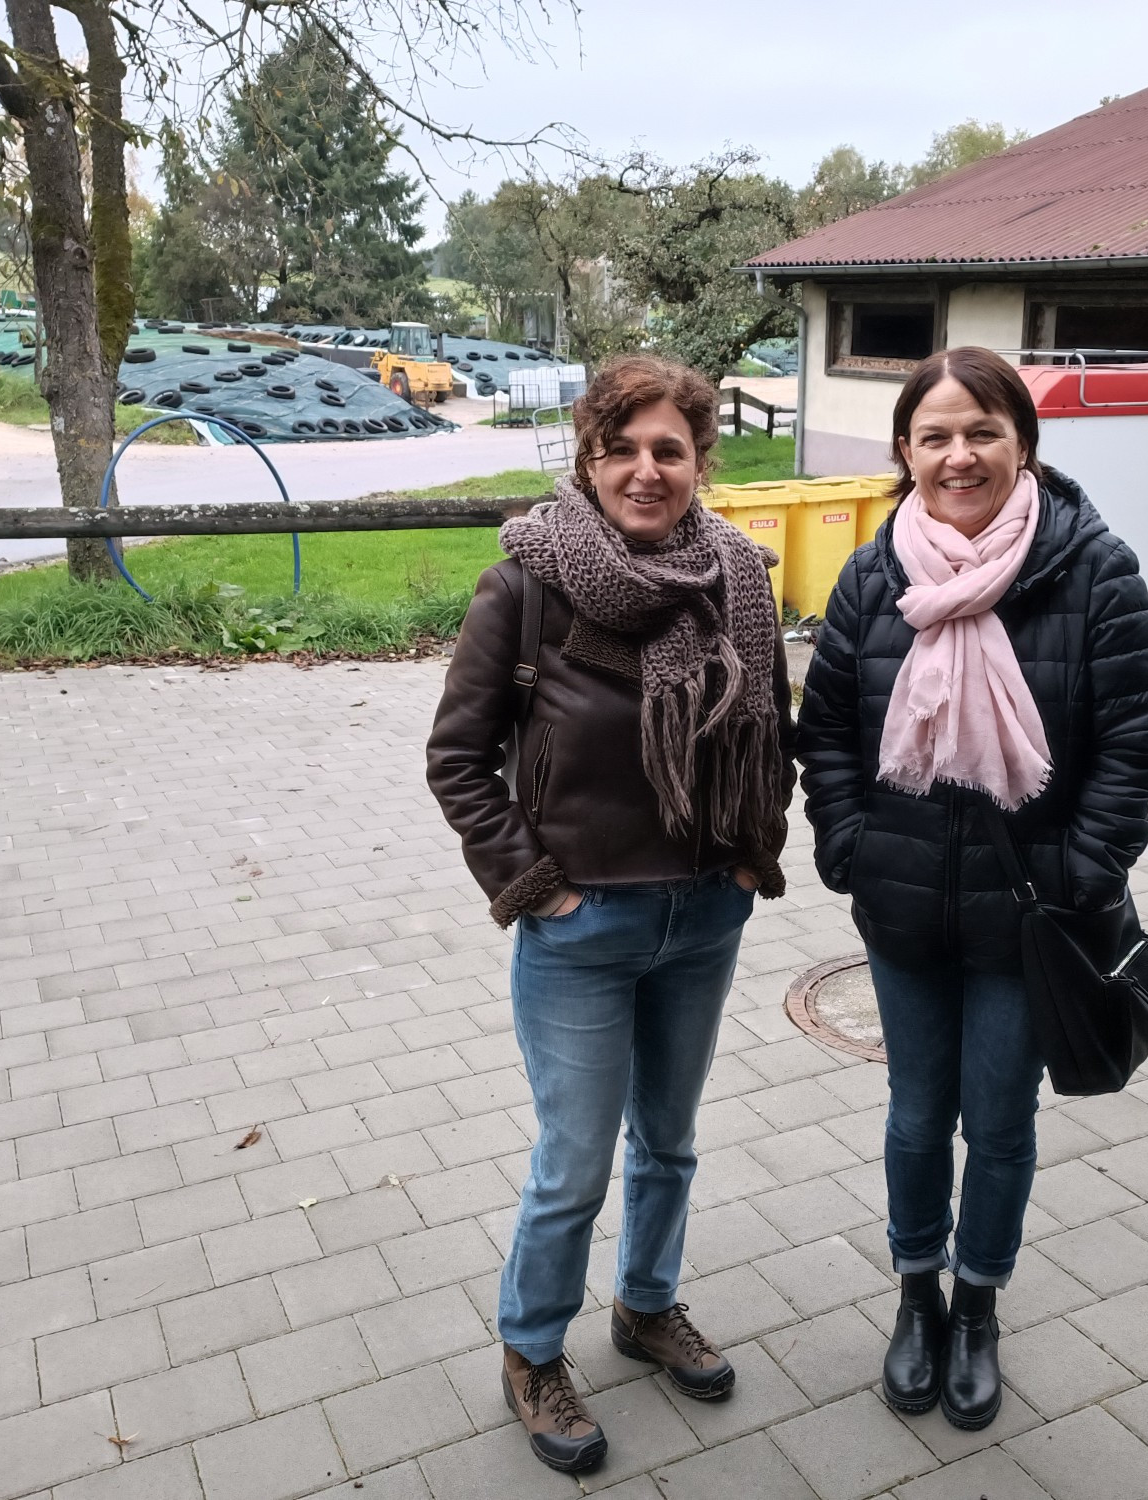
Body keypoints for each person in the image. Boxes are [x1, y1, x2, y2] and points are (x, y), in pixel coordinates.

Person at [425, 354, 792, 1475]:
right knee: (575, 1162)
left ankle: (645, 1305)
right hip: (580, 929)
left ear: (699, 463)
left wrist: (751, 856)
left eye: (668, 450)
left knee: (668, 1144)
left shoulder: (738, 580)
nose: (645, 470)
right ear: (587, 459)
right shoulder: (526, 585)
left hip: (703, 917)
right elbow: (457, 761)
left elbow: (768, 736)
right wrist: (540, 886)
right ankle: (533, 1351)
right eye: (620, 448)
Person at [797, 346, 1148, 1429]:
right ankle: (916, 1296)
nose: (958, 455)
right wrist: (851, 848)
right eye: (935, 436)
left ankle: (977, 1307)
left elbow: (1132, 744)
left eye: (981, 432)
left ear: (1023, 443)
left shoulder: (1094, 570)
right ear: (904, 452)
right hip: (904, 907)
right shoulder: (874, 576)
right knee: (918, 1117)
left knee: (999, 1124)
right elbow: (827, 730)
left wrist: (1080, 871)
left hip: (1032, 916)